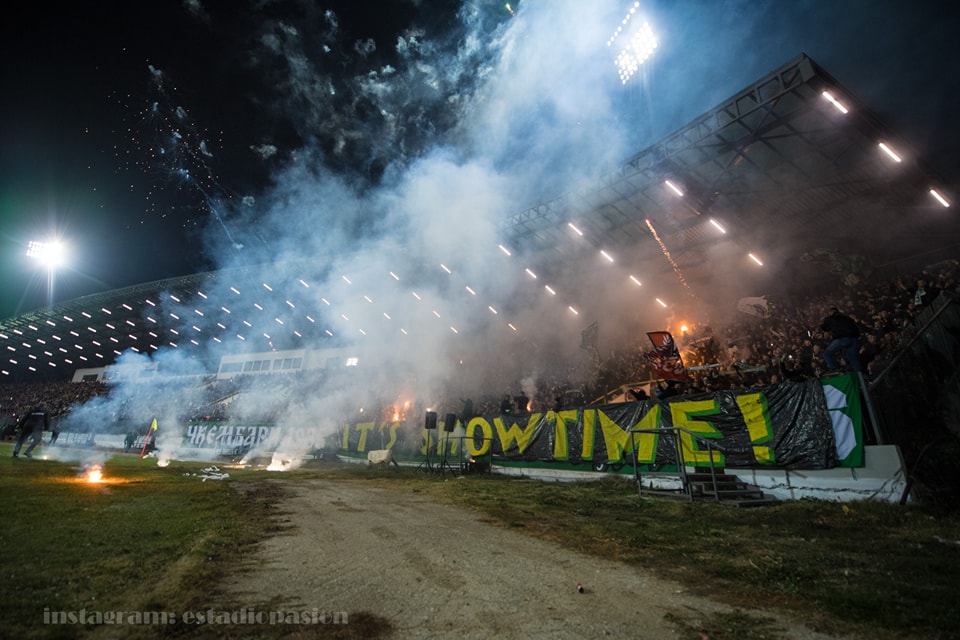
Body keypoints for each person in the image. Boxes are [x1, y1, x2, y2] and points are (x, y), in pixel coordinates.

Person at [820, 306, 864, 373]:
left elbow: (825, 328)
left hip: (841, 339)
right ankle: (861, 375)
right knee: (853, 358)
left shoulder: (830, 319)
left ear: (831, 312)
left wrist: (822, 323)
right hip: (853, 339)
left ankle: (834, 370)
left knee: (827, 354)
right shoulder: (847, 318)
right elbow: (856, 328)